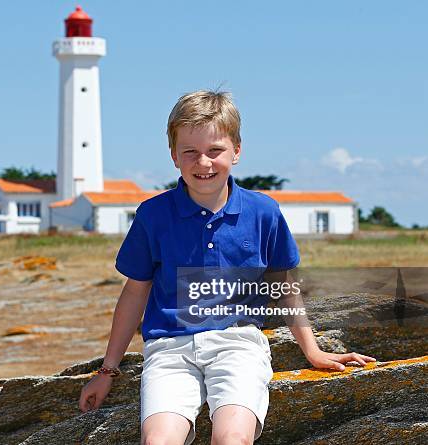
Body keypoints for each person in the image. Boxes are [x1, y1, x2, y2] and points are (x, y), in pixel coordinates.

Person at [79, 90, 375, 445]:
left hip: (239, 344)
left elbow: (283, 285)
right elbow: (135, 292)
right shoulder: (152, 215)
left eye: (215, 150)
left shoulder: (263, 212)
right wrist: (107, 371)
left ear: (237, 150)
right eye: (190, 152)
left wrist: (312, 351)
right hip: (169, 349)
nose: (203, 162)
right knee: (159, 441)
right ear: (174, 156)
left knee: (232, 438)